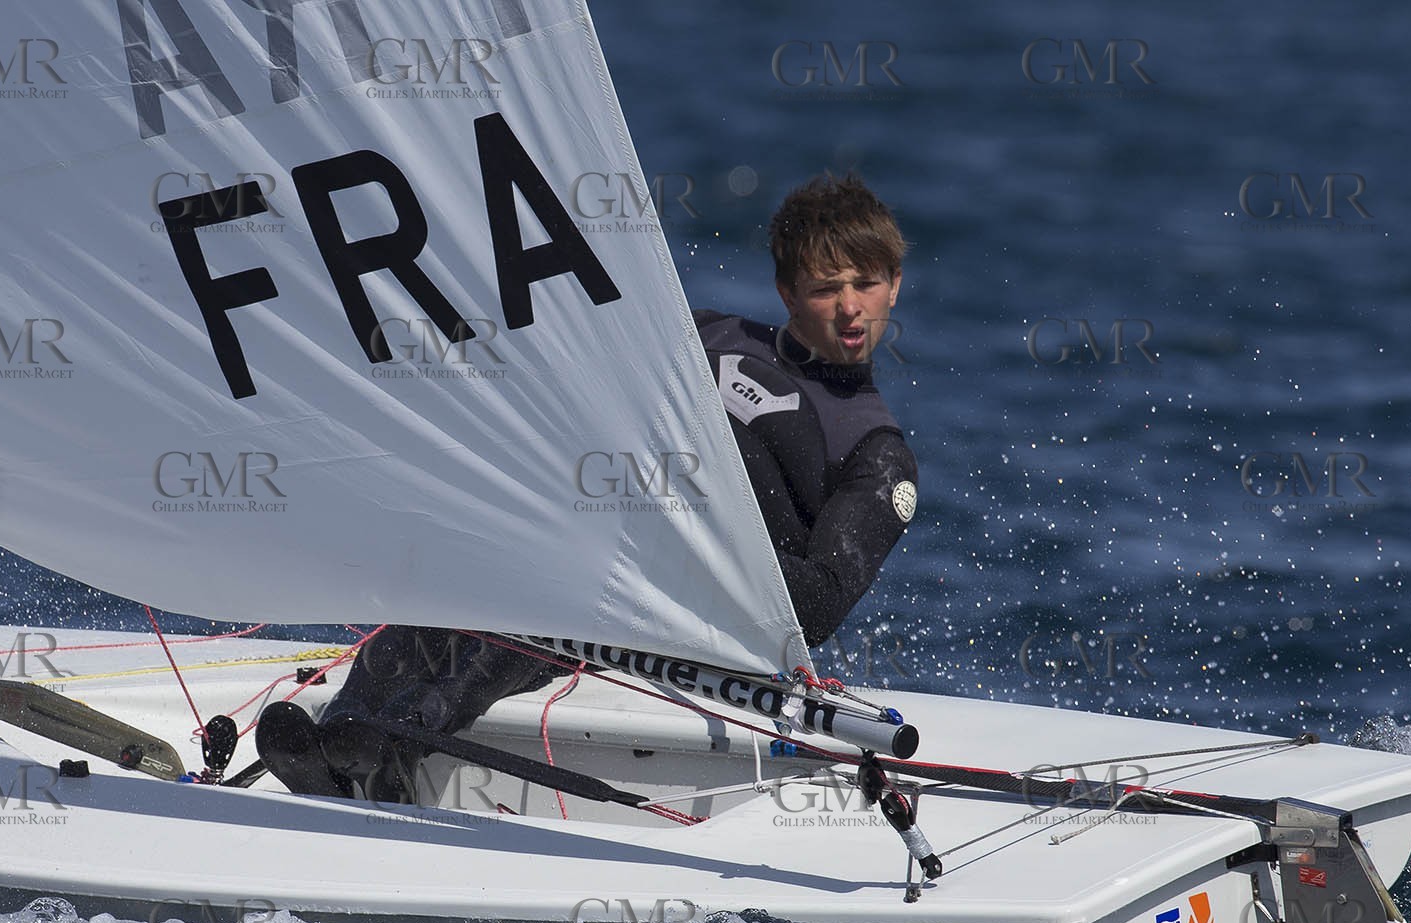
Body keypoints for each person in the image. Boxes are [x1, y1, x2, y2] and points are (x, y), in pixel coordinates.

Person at [256, 173, 916, 800]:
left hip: (667, 606)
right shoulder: (705, 334)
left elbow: (822, 604)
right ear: (787, 290)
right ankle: (339, 739)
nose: (851, 307)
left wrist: (680, 536)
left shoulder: (872, 450)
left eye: (868, 282)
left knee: (543, 596)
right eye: (828, 287)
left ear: (894, 285)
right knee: (461, 561)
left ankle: (385, 751)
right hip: (579, 534)